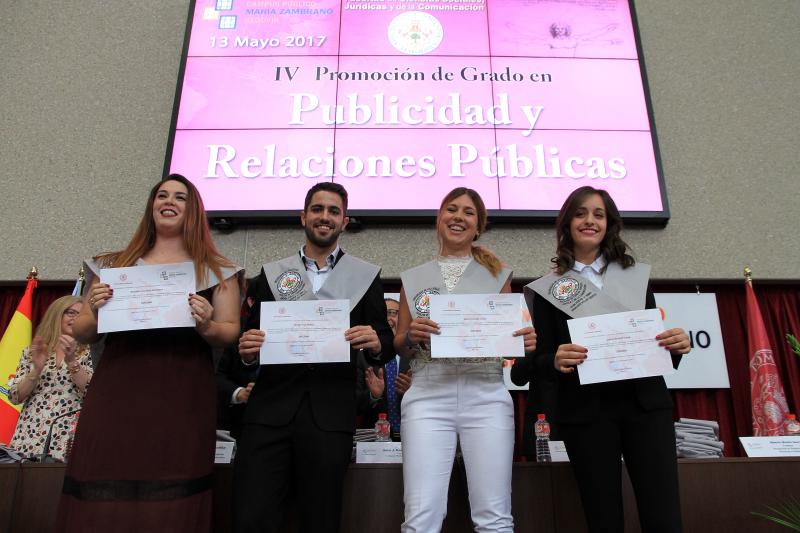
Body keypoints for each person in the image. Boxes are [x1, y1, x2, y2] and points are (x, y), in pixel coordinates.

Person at [56, 174, 242, 532]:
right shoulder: (113, 265)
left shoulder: (217, 270)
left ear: (194, 210)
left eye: (180, 197)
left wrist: (205, 325)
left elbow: (229, 331)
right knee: (105, 481)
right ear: (152, 206)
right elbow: (81, 330)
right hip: (118, 391)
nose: (168, 201)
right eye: (162, 195)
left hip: (181, 395)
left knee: (170, 488)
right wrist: (93, 310)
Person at [524, 185, 691, 533]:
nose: (589, 221)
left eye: (598, 214)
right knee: (603, 518)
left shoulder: (633, 276)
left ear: (609, 224)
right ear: (567, 224)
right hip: (587, 414)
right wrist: (553, 359)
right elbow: (532, 362)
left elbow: (652, 341)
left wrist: (675, 344)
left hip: (645, 407)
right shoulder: (548, 288)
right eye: (581, 213)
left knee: (664, 516)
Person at [234, 182, 394, 533]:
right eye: (318, 209)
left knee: (320, 518)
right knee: (252, 517)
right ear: (303, 216)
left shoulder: (366, 277)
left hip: (330, 415)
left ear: (345, 221)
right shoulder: (271, 275)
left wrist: (376, 343)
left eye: (333, 211)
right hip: (269, 413)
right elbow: (247, 343)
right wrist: (247, 353)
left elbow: (386, 340)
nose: (325, 217)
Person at [394, 187, 536, 533]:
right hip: (428, 393)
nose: (459, 217)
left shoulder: (498, 275)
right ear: (439, 218)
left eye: (469, 213)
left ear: (478, 227)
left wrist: (524, 339)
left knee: (494, 516)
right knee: (420, 516)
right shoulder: (413, 278)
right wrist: (411, 335)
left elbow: (509, 336)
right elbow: (398, 343)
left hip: (485, 390)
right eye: (452, 209)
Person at [8, 296, 92, 462]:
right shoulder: (34, 351)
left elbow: (93, 393)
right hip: (30, 432)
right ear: (56, 315)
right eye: (71, 313)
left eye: (81, 314)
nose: (76, 318)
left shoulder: (91, 352)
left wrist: (71, 361)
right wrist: (37, 370)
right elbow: (14, 396)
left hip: (69, 434)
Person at [216, 277, 259, 439]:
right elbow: (216, 375)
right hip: (238, 427)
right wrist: (240, 393)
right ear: (251, 301)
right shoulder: (233, 329)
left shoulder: (298, 329)